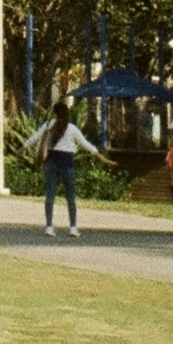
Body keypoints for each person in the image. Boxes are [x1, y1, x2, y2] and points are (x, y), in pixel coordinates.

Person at [25, 95, 108, 238]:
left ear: (55, 114)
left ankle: (49, 227)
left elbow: (36, 137)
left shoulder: (48, 125)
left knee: (50, 195)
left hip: (51, 161)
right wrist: (102, 158)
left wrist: (22, 148)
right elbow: (85, 144)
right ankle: (73, 227)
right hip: (67, 162)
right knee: (70, 197)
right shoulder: (72, 128)